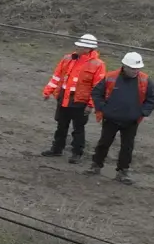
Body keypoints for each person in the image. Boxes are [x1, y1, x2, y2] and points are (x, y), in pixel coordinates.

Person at [87, 52, 154, 185]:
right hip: (110, 119)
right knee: (104, 143)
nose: (136, 71)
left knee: (127, 147)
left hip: (131, 121)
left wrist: (142, 112)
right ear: (124, 66)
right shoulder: (110, 77)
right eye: (133, 68)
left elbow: (152, 99)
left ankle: (123, 171)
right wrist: (103, 108)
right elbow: (97, 93)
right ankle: (96, 165)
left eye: (138, 68)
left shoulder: (145, 80)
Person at [42, 33, 106, 163]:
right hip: (64, 98)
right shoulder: (67, 58)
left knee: (78, 128)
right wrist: (48, 91)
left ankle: (77, 153)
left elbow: (98, 87)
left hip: (80, 102)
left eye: (80, 46)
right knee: (61, 125)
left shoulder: (98, 64)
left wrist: (90, 104)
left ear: (88, 49)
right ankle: (57, 149)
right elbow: (57, 76)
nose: (77, 48)